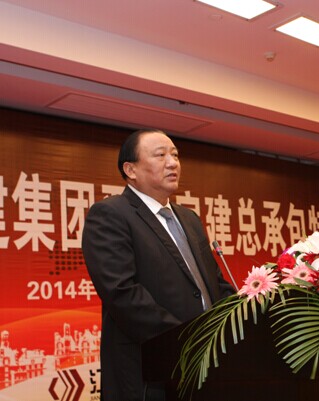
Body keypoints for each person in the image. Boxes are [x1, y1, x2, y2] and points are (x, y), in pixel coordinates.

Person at [82, 129, 235, 401]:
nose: (172, 163)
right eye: (160, 155)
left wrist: (241, 314)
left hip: (206, 368)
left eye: (175, 155)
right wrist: (186, 340)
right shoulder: (111, 214)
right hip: (150, 374)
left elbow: (213, 284)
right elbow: (123, 293)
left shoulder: (189, 219)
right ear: (130, 170)